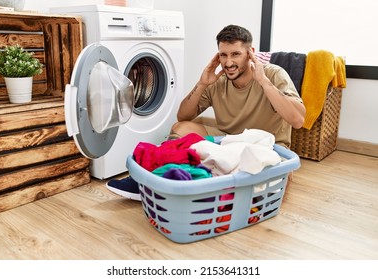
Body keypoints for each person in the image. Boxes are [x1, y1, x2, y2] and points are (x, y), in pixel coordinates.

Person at [106, 24, 306, 200]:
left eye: (236, 54)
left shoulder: (273, 74)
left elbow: (297, 120)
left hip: (267, 147)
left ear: (250, 53)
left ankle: (193, 187)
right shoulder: (217, 80)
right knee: (181, 129)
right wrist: (202, 84)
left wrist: (263, 81)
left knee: (269, 187)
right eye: (223, 55)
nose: (228, 63)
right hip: (228, 141)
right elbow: (183, 117)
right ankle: (156, 177)